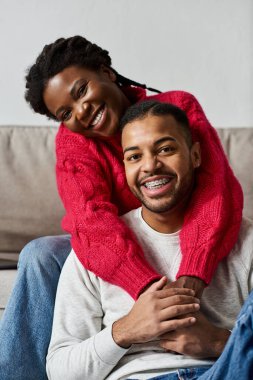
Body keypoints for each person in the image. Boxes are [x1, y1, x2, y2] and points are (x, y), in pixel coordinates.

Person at [0, 36, 243, 380]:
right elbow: (90, 221)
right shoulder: (75, 144)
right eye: (65, 113)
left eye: (81, 90)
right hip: (112, 240)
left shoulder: (175, 110)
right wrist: (149, 294)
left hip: (181, 228)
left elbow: (214, 189)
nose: (81, 111)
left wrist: (192, 276)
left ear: (106, 72)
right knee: (40, 253)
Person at [46, 100, 253, 380]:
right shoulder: (97, 247)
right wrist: (125, 330)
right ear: (124, 167)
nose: (150, 166)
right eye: (134, 157)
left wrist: (218, 342)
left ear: (195, 156)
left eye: (166, 149)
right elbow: (59, 371)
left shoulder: (245, 239)